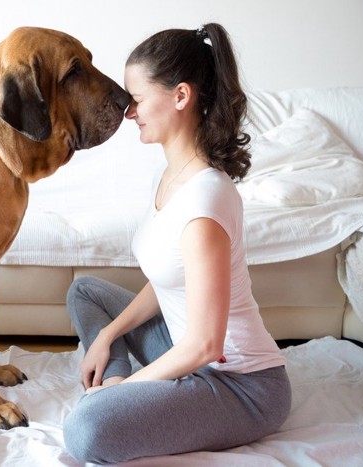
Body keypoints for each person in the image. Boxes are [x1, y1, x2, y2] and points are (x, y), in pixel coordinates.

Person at [62, 23, 291, 464]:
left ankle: (112, 390)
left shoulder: (206, 201)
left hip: (240, 384)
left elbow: (207, 344)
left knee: (86, 428)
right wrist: (108, 338)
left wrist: (128, 390)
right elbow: (170, 278)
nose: (129, 112)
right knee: (85, 290)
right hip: (182, 345)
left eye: (138, 98)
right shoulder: (168, 177)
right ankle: (112, 380)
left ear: (180, 96)